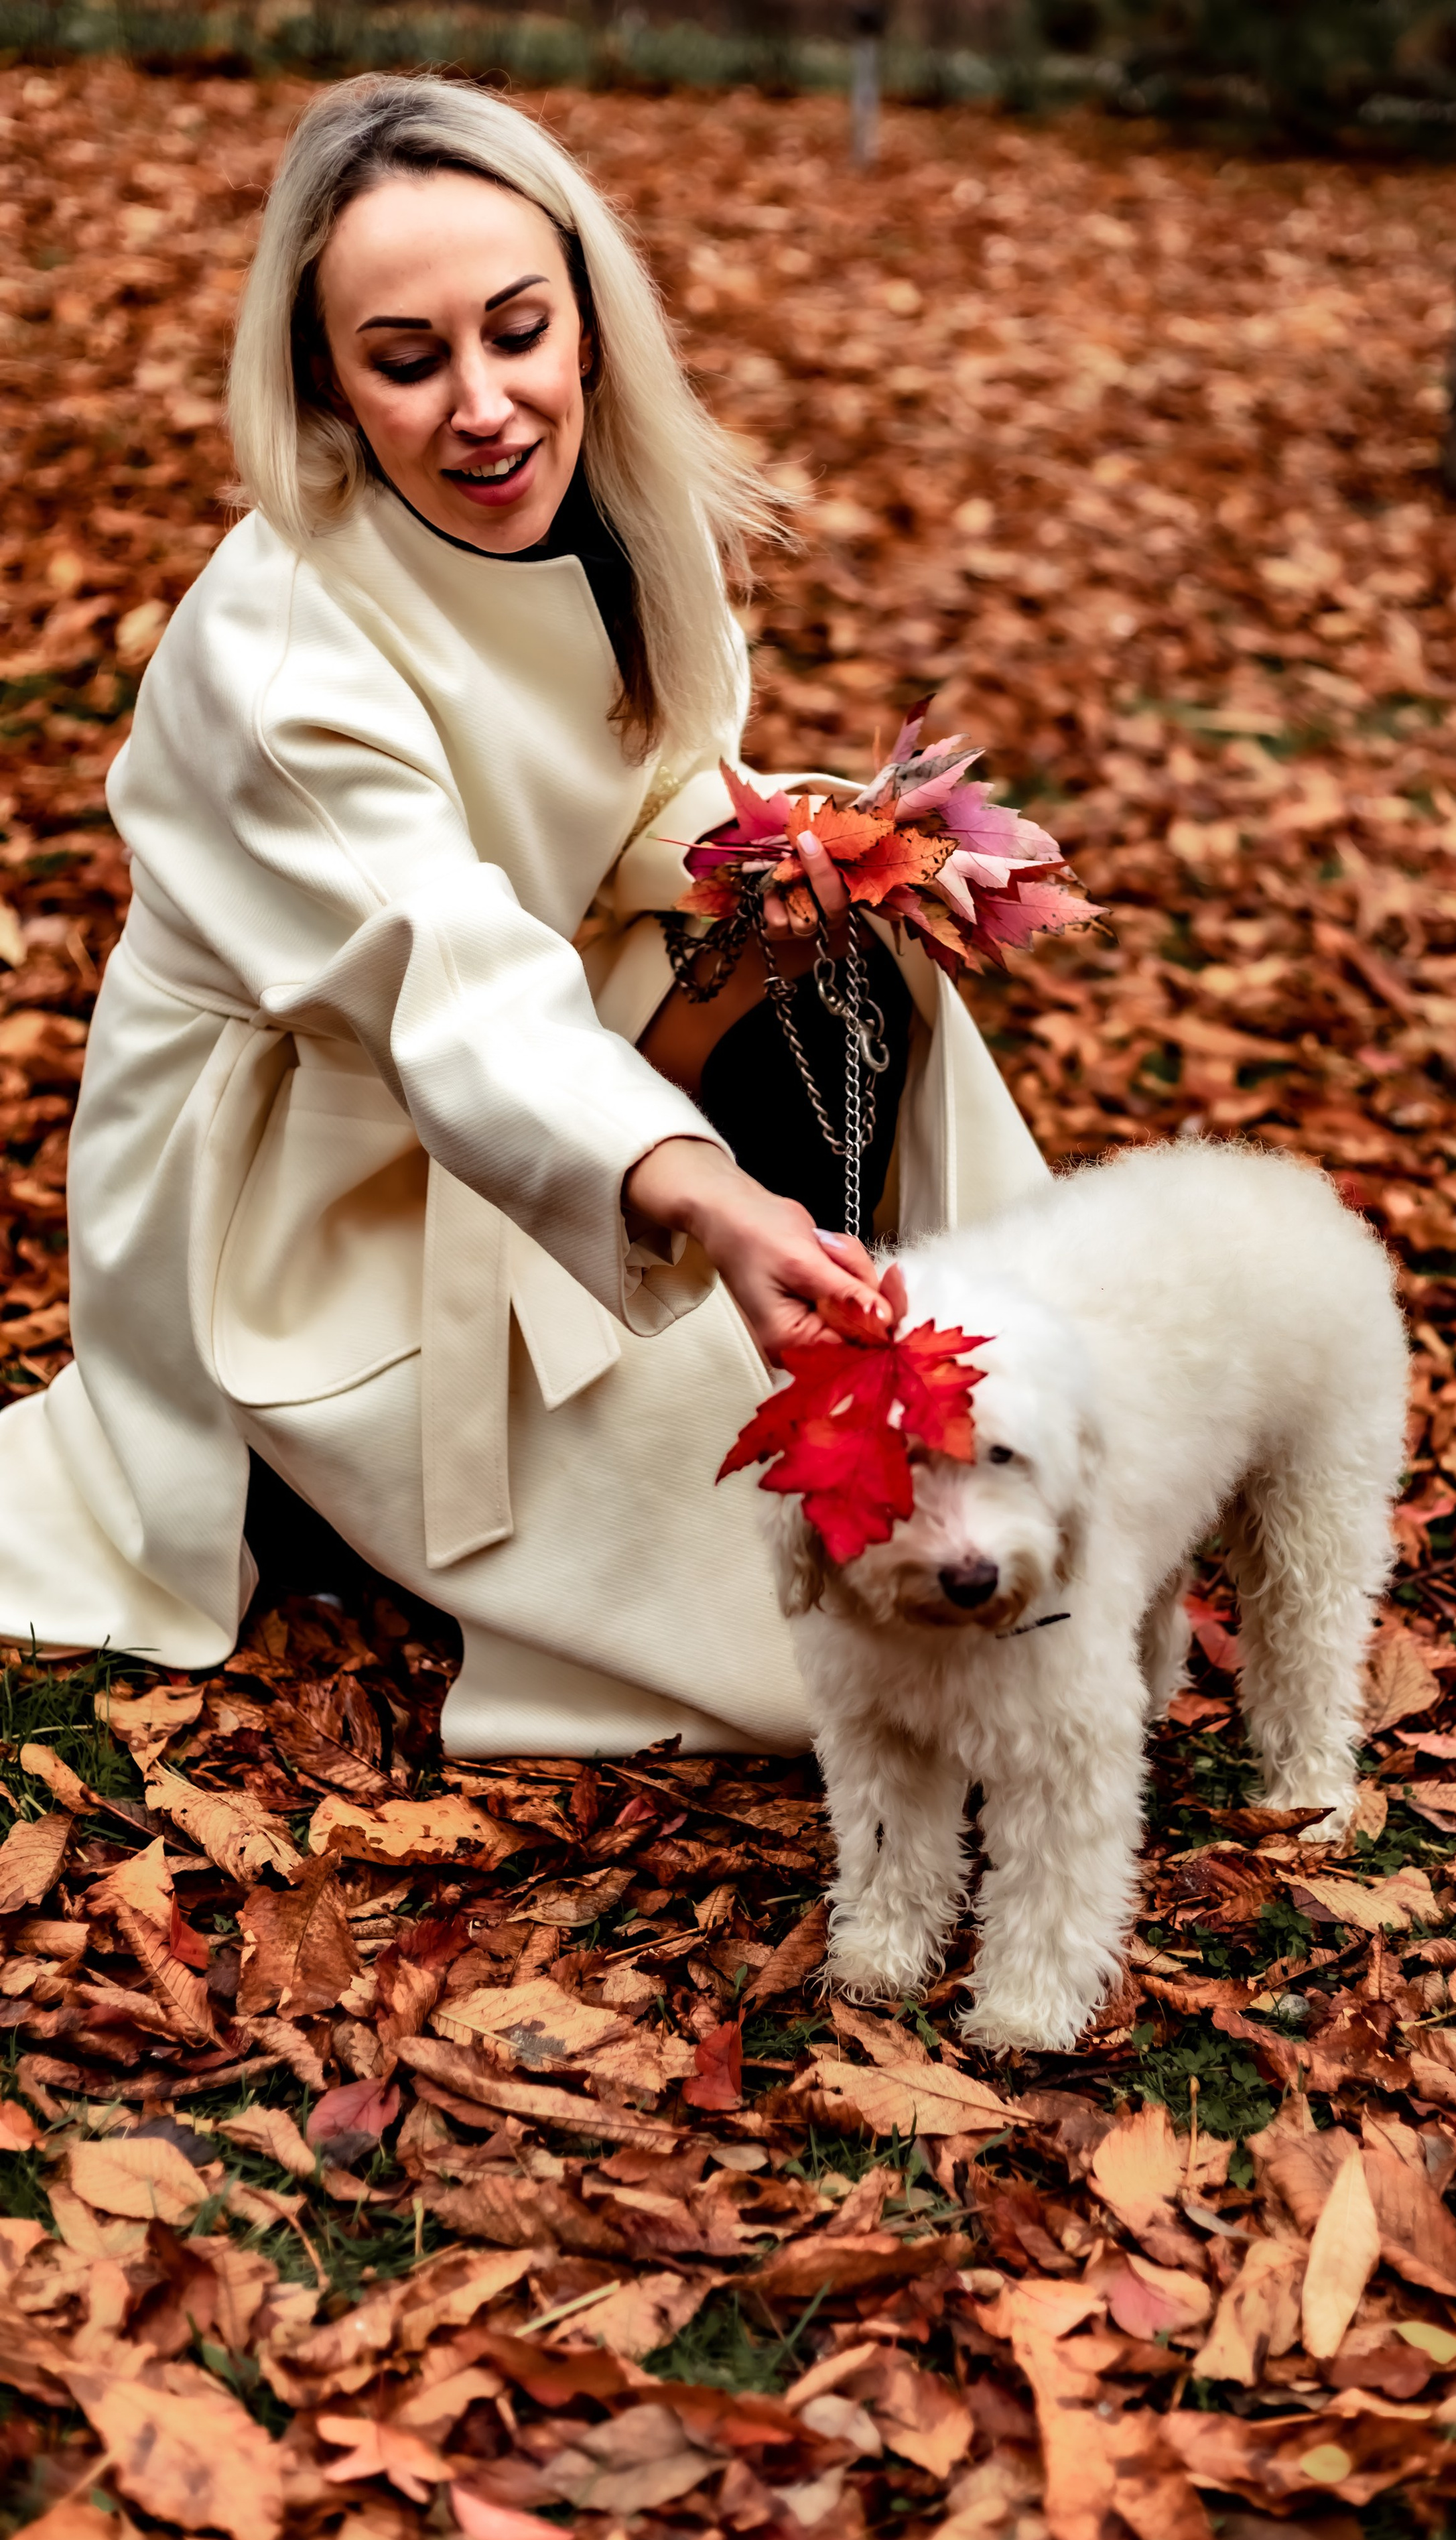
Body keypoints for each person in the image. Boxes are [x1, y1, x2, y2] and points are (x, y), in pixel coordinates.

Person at [0, 74, 1046, 1759]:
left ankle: (933, 1386)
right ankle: (329, 1492)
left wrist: (838, 848)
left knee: (846, 960)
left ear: (585, 319)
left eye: (517, 334)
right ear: (325, 381)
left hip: (545, 1053)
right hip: (319, 1162)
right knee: (793, 1650)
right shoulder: (286, 653)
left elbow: (650, 798)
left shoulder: (624, 518)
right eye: (408, 362)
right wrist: (701, 1193)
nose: (484, 408)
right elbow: (452, 984)